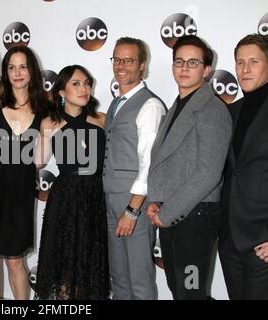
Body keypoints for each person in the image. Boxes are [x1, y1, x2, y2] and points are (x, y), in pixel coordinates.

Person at [146, 35, 232, 300]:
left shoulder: (212, 110)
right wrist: (156, 201)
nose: (184, 68)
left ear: (206, 70)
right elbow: (169, 162)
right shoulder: (179, 106)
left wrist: (167, 212)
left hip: (195, 219)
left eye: (193, 62)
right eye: (179, 61)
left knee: (191, 292)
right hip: (174, 216)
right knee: (179, 289)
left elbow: (208, 173)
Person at [34, 65, 110, 300]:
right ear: (61, 91)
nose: (84, 88)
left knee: (90, 262)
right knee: (65, 263)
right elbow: (38, 162)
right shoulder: (49, 123)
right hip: (65, 197)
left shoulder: (102, 120)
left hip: (94, 196)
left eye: (87, 83)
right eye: (76, 84)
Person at [103, 37, 166, 300]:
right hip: (111, 200)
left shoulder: (150, 105)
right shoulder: (117, 103)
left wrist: (132, 209)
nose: (121, 65)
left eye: (128, 60)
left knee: (139, 280)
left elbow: (149, 163)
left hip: (134, 204)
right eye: (117, 59)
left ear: (142, 65)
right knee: (120, 279)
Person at [0, 46, 47, 299]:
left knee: (14, 262)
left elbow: (40, 161)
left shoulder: (43, 108)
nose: (17, 72)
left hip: (20, 195)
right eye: (11, 67)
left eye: (22, 66)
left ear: (31, 70)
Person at [219, 34, 268, 299]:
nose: (245, 69)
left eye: (254, 62)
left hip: (263, 241)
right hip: (230, 240)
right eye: (240, 62)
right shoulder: (231, 111)